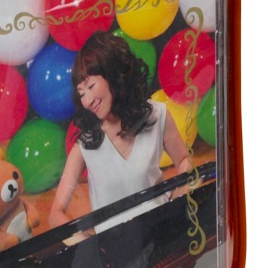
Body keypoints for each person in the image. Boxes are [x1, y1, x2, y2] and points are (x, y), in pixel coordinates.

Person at [49, 31, 192, 235]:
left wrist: (177, 202)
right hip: (114, 249)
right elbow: (55, 213)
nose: (87, 100)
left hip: (161, 234)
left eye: (91, 86)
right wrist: (88, 243)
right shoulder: (86, 143)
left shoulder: (157, 115)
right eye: (81, 93)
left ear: (113, 76)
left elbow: (184, 161)